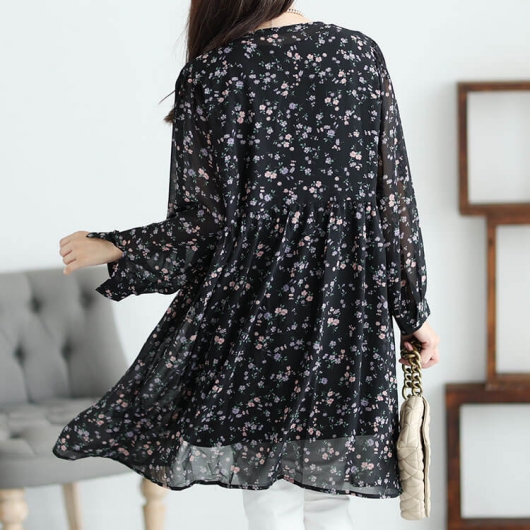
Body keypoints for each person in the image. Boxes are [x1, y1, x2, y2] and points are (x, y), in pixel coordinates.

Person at [53, 2, 440, 529]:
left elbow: (204, 228)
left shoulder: (212, 73)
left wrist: (117, 245)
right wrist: (413, 312)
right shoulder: (359, 53)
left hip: (258, 311)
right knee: (331, 491)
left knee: (269, 493)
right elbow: (392, 203)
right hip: (349, 307)